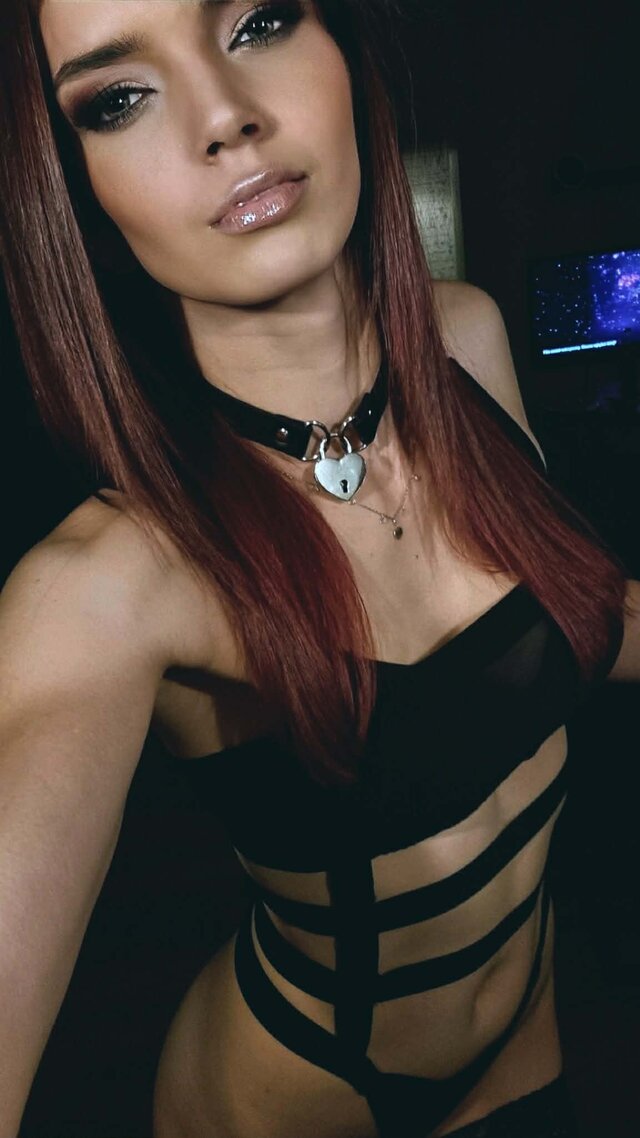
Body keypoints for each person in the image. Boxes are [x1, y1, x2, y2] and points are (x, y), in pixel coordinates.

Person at [0, 2, 638, 1137]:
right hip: (293, 1093)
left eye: (258, 22)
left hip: (530, 1041)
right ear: (79, 196)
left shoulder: (467, 341)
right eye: (118, 99)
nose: (224, 117)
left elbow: (573, 621)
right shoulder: (108, 583)